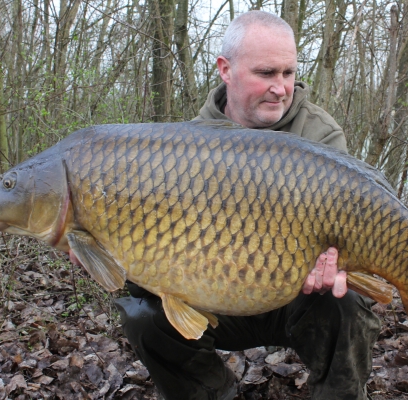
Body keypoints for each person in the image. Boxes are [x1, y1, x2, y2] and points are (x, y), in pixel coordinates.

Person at [98, 11, 382, 400]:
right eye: (266, 73)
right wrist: (106, 254)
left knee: (346, 301)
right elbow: (152, 258)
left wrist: (335, 268)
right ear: (225, 69)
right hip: (217, 301)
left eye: (288, 73)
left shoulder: (319, 135)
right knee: (144, 316)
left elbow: (350, 232)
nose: (281, 88)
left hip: (296, 297)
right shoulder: (185, 147)